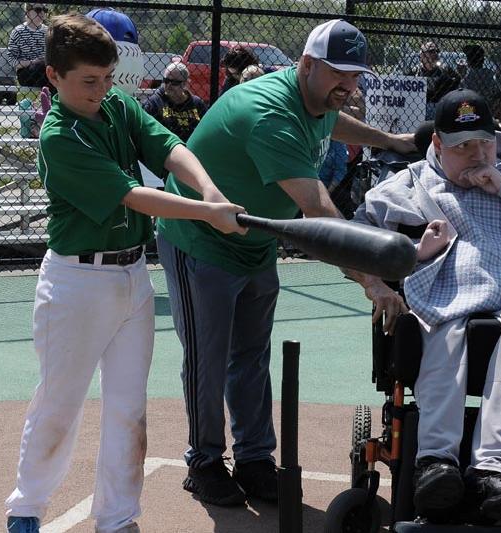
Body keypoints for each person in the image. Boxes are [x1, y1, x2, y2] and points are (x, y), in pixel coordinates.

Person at [156, 18, 414, 508]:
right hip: (200, 242)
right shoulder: (270, 113)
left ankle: (254, 460)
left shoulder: (315, 97)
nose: (350, 85)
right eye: (340, 73)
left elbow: (331, 122)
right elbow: (319, 212)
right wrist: (373, 282)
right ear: (308, 65)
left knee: (250, 356)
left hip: (255, 243)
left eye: (356, 75)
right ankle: (205, 462)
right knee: (209, 360)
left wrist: (393, 141)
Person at [4, 13, 246, 533]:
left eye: (107, 78)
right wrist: (207, 214)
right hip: (76, 283)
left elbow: (169, 147)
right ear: (54, 77)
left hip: (133, 277)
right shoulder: (59, 136)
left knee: (127, 408)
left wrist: (209, 190)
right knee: (59, 404)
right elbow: (131, 194)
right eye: (88, 81)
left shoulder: (116, 105)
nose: (101, 90)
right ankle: (26, 508)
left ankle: (117, 519)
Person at [352, 89, 501, 524]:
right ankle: (435, 465)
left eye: (483, 142)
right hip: (440, 301)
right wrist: (414, 251)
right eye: (462, 146)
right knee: (444, 331)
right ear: (438, 145)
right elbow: (359, 238)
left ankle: (495, 472)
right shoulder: (409, 183)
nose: (476, 154)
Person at [142, 61, 208, 142]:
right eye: (166, 80)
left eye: (174, 82)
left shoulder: (197, 104)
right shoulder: (154, 103)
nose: (169, 85)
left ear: (184, 84)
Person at [407, 41, 460, 120]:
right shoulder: (415, 72)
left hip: (439, 108)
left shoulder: (445, 70)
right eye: (431, 51)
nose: (435, 53)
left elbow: (457, 81)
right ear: (422, 55)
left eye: (436, 51)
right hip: (420, 108)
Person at [7, 2, 49, 88]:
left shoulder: (47, 31)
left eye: (45, 10)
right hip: (25, 73)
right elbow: (11, 60)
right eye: (38, 10)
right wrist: (32, 62)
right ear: (27, 12)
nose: (42, 13)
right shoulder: (18, 31)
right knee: (43, 67)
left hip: (45, 70)